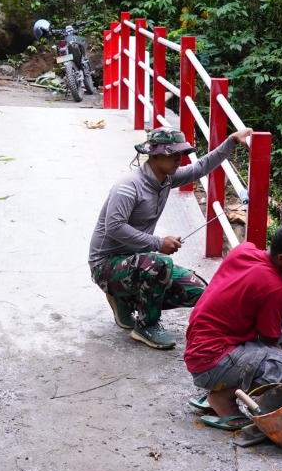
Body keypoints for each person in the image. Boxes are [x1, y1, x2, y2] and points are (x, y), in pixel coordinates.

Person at [89, 124, 253, 349]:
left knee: (199, 292)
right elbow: (114, 228)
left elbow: (200, 167)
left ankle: (125, 299)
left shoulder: (166, 179)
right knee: (160, 265)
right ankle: (146, 325)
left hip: (136, 262)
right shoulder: (128, 186)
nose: (179, 159)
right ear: (154, 155)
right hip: (106, 265)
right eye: (172, 154)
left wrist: (232, 141)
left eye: (181, 154)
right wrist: (158, 243)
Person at [184, 220, 282, 430]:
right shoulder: (275, 287)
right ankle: (223, 397)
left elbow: (259, 295)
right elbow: (271, 344)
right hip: (211, 362)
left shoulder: (244, 251)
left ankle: (228, 385)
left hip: (200, 348)